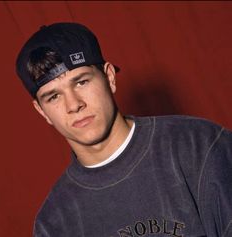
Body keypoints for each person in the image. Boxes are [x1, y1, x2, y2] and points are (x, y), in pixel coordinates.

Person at [16, 22, 232, 237]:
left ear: (109, 77)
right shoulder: (54, 223)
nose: (73, 105)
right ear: (42, 111)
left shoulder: (198, 145)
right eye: (53, 96)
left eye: (81, 82)